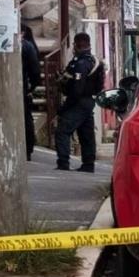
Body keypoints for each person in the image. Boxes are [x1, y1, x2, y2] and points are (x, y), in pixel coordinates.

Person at [55, 33, 101, 172]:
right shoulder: (92, 61)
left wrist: (64, 108)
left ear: (77, 44)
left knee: (62, 130)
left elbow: (77, 89)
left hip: (79, 102)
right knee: (86, 132)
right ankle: (88, 164)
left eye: (75, 45)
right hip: (88, 101)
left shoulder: (81, 63)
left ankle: (63, 162)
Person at [21, 26, 41, 161]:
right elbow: (35, 72)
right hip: (22, 88)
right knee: (26, 119)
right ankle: (27, 149)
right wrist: (31, 88)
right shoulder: (28, 47)